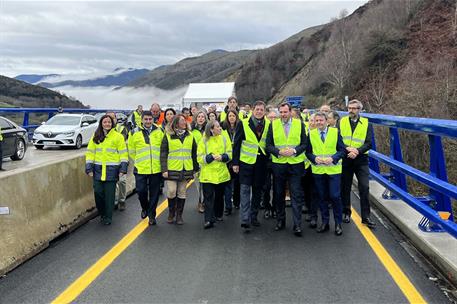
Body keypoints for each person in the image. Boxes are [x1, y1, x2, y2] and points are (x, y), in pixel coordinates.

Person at [266, 102, 307, 236]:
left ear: (290, 112)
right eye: (281, 112)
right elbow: (269, 145)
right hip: (279, 164)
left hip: (295, 164)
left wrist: (294, 151)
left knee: (296, 195)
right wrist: (279, 152)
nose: (283, 115)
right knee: (278, 194)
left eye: (285, 112)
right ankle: (280, 221)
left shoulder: (299, 124)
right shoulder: (273, 125)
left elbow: (304, 144)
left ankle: (297, 224)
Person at [306, 112, 345, 236]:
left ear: (326, 121)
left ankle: (338, 223)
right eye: (316, 121)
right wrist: (313, 158)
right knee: (321, 197)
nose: (318, 123)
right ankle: (325, 222)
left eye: (321, 120)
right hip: (318, 170)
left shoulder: (335, 132)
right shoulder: (311, 134)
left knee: (334, 196)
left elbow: (342, 150)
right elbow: (308, 152)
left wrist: (333, 158)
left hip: (333, 169)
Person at [233, 101, 270, 231]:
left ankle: (254, 216)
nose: (259, 112)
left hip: (261, 164)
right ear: (253, 110)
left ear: (265, 111)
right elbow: (236, 145)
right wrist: (235, 163)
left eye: (261, 110)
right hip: (246, 163)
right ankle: (245, 218)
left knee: (257, 191)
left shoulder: (269, 125)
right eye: (257, 109)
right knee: (244, 190)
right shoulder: (243, 124)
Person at [85, 115, 128, 225]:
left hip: (112, 171)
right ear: (101, 123)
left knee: (110, 196)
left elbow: (123, 154)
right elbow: (90, 152)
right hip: (98, 170)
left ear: (112, 123)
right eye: (105, 122)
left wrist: (123, 168)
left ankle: (108, 217)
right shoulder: (96, 136)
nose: (107, 124)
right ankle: (102, 213)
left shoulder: (118, 137)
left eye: (109, 122)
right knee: (98, 193)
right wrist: (89, 167)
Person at [340, 100, 376, 228]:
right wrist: (347, 149)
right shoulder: (342, 121)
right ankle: (346, 212)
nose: (351, 110)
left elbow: (369, 143)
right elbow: (338, 139)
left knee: (364, 187)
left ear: (359, 110)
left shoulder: (366, 123)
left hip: (361, 160)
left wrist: (357, 151)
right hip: (346, 158)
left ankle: (366, 216)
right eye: (349, 108)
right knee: (345, 187)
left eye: (354, 108)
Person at [161, 114, 198, 225]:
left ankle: (179, 216)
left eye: (185, 120)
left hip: (186, 168)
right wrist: (164, 169)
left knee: (182, 192)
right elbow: (163, 153)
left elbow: (194, 153)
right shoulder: (168, 135)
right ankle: (171, 213)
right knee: (172, 191)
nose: (185, 122)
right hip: (172, 168)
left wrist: (195, 168)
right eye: (182, 120)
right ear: (176, 123)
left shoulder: (190, 135)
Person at [128, 111, 164, 225]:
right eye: (146, 119)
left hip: (156, 168)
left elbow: (163, 149)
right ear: (142, 120)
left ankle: (152, 215)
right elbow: (131, 150)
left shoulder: (160, 131)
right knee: (141, 191)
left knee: (154, 193)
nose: (148, 121)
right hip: (141, 168)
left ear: (153, 119)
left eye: (150, 119)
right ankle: (145, 207)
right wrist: (139, 160)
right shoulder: (134, 132)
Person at [197, 120, 232, 229]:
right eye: (217, 127)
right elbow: (199, 157)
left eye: (219, 126)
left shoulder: (224, 138)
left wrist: (223, 157)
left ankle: (218, 214)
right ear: (211, 129)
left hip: (221, 173)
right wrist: (210, 157)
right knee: (208, 197)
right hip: (208, 174)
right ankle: (208, 220)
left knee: (219, 196)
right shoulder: (203, 140)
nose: (220, 128)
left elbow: (230, 153)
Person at [106, 111, 129, 211]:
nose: (111, 120)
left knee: (122, 182)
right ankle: (114, 202)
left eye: (113, 118)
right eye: (109, 118)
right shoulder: (102, 131)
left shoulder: (122, 129)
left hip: (121, 160)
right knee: (113, 184)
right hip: (109, 161)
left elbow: (120, 143)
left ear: (115, 119)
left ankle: (122, 200)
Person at [221, 109, 241, 215]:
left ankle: (237, 202)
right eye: (230, 116)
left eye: (233, 116)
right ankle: (228, 206)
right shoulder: (223, 129)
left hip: (238, 158)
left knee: (237, 183)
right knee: (228, 184)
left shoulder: (240, 127)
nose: (231, 118)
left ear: (236, 117)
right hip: (227, 159)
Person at [262, 110, 278, 219]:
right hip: (266, 161)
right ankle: (267, 207)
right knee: (266, 187)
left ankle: (276, 208)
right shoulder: (263, 128)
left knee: (277, 187)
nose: (272, 120)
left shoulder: (280, 129)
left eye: (274, 117)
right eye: (270, 117)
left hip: (277, 161)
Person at [191, 110, 208, 213]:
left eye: (203, 117)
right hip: (196, 161)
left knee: (206, 183)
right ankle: (201, 202)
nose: (201, 118)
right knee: (199, 184)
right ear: (196, 118)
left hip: (207, 160)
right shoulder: (191, 131)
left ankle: (205, 201)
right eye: (199, 117)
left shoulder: (208, 130)